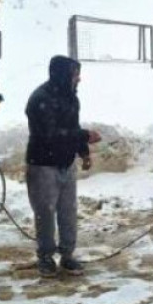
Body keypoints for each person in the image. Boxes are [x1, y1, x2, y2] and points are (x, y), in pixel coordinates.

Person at [25, 55, 102, 277]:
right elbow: (50, 135)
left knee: (68, 211)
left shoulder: (71, 98)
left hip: (66, 164)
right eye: (75, 74)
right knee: (45, 213)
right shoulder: (40, 99)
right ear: (63, 74)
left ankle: (67, 255)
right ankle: (46, 257)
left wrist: (83, 152)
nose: (79, 79)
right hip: (43, 165)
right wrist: (85, 135)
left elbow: (71, 127)